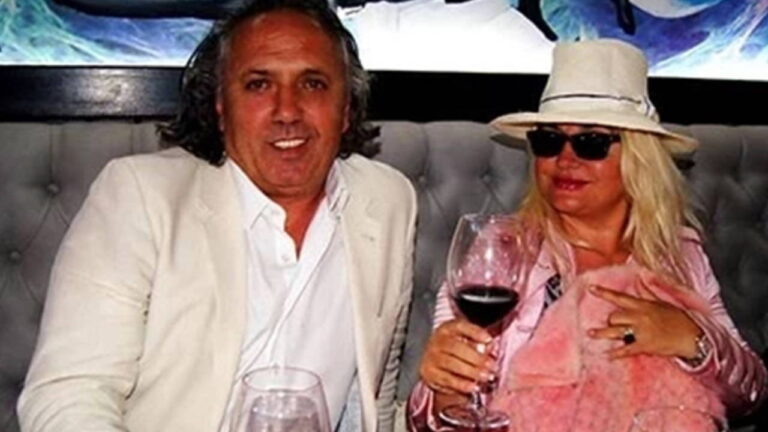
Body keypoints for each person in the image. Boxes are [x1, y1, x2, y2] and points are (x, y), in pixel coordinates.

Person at [17, 0, 417, 431]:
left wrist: (432, 405)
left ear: (347, 109)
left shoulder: (389, 201)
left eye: (313, 83)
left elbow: (374, 401)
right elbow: (69, 394)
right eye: (259, 84)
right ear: (221, 107)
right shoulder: (141, 197)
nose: (287, 110)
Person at [408, 38, 766, 431]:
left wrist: (693, 338)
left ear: (638, 157)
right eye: (548, 140)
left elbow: (751, 395)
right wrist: (442, 390)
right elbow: (429, 416)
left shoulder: (680, 254)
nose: (565, 159)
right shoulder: (503, 250)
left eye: (590, 143)